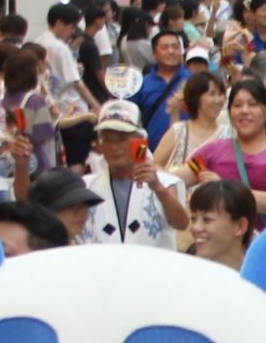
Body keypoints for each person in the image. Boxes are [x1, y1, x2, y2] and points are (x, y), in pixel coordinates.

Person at [191, 78, 266, 225]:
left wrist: (223, 189)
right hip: (222, 244)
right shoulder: (212, 150)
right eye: (237, 105)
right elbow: (189, 170)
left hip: (263, 243)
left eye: (253, 104)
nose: (244, 111)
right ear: (229, 112)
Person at [77, 100, 185, 249]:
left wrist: (158, 188)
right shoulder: (85, 187)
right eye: (107, 139)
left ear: (139, 141)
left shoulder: (165, 183)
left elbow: (181, 223)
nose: (115, 147)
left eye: (122, 139)